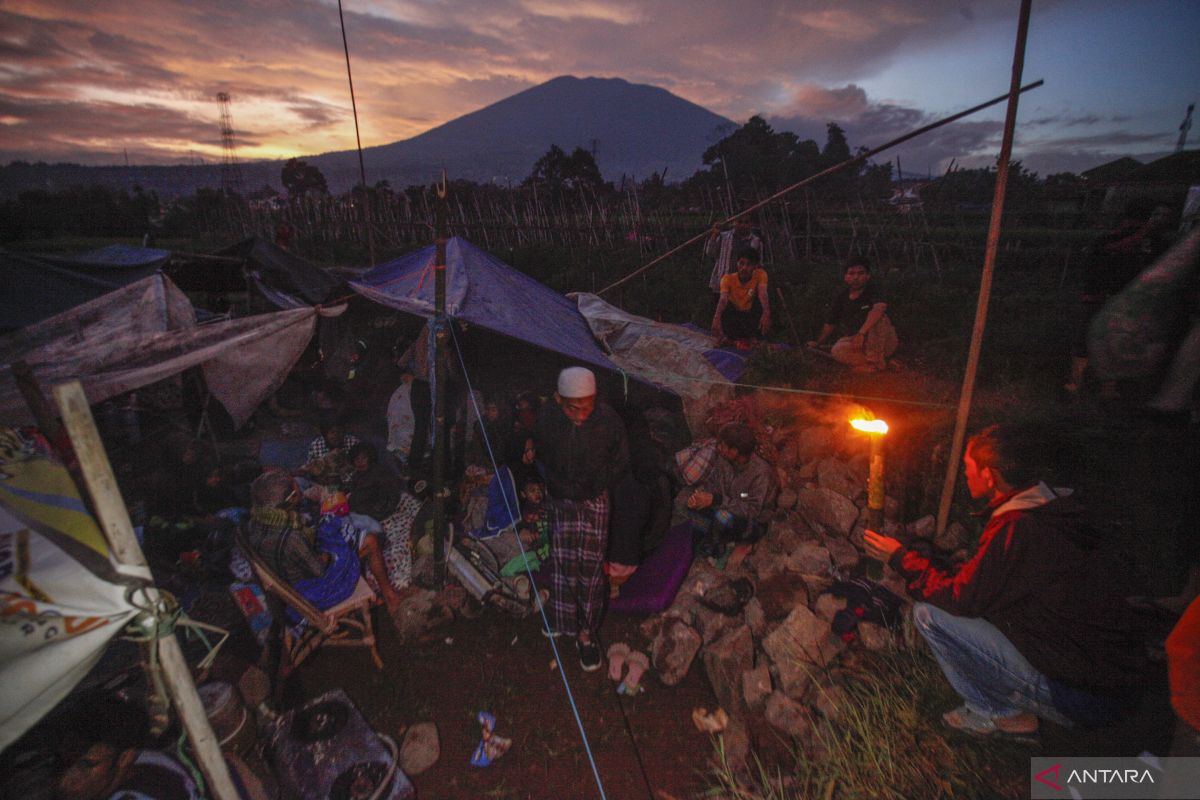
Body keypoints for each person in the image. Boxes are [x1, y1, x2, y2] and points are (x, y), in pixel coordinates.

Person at [863, 424, 1146, 738]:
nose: (965, 475)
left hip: (1088, 698)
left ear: (989, 476)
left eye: (968, 468)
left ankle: (1000, 714)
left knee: (930, 616)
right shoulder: (1049, 506)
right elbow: (987, 585)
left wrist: (901, 558)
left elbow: (962, 600)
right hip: (1113, 676)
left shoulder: (1018, 529)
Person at [534, 366, 629, 671]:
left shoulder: (608, 421)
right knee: (562, 562)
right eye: (573, 408)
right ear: (558, 400)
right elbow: (543, 455)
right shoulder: (548, 418)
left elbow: (621, 461)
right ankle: (562, 619)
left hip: (593, 500)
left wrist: (595, 485)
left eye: (587, 407)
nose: (581, 415)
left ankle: (586, 635)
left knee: (589, 570)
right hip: (561, 500)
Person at [244, 470, 404, 615]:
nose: (299, 488)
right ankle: (391, 597)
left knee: (334, 528)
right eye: (297, 487)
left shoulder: (255, 522)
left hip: (287, 583)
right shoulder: (291, 537)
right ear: (291, 497)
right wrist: (327, 555)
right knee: (371, 541)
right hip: (311, 594)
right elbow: (320, 570)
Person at [1065, 201, 1175, 398]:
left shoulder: (1151, 242)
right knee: (1106, 341)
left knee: (1110, 342)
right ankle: (1085, 385)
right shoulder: (1119, 239)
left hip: (1117, 299)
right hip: (1109, 298)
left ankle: (1092, 387)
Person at [51, 694, 201, 800]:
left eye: (85, 766)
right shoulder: (148, 764)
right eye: (63, 763)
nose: (66, 780)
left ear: (125, 758)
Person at [684, 422, 776, 565]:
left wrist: (717, 500)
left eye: (722, 445)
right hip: (727, 507)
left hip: (753, 521)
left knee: (721, 518)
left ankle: (721, 545)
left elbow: (752, 509)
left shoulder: (761, 473)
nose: (718, 447)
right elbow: (712, 486)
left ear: (734, 451)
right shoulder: (724, 461)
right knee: (693, 508)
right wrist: (700, 497)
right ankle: (709, 542)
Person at [808, 258, 898, 372]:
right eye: (851, 273)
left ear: (867, 276)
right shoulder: (842, 297)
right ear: (846, 277)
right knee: (837, 350)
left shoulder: (875, 290)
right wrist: (818, 343)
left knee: (879, 318)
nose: (856, 277)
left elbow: (879, 309)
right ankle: (881, 364)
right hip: (858, 343)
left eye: (860, 273)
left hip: (884, 341)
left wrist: (861, 333)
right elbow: (830, 323)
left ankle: (875, 363)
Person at [711, 249, 771, 345]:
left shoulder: (760, 274)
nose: (744, 268)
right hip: (734, 316)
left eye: (748, 264)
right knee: (723, 306)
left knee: (762, 302)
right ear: (737, 264)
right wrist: (716, 318)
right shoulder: (727, 279)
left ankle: (754, 337)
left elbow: (762, 293)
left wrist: (766, 313)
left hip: (749, 316)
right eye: (741, 263)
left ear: (755, 266)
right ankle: (729, 337)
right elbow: (723, 299)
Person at [705, 217, 762, 292]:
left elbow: (757, 264)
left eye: (746, 222)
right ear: (734, 222)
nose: (743, 225)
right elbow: (710, 253)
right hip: (723, 285)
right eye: (740, 222)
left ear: (751, 224)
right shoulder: (724, 237)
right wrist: (714, 235)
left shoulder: (756, 241)